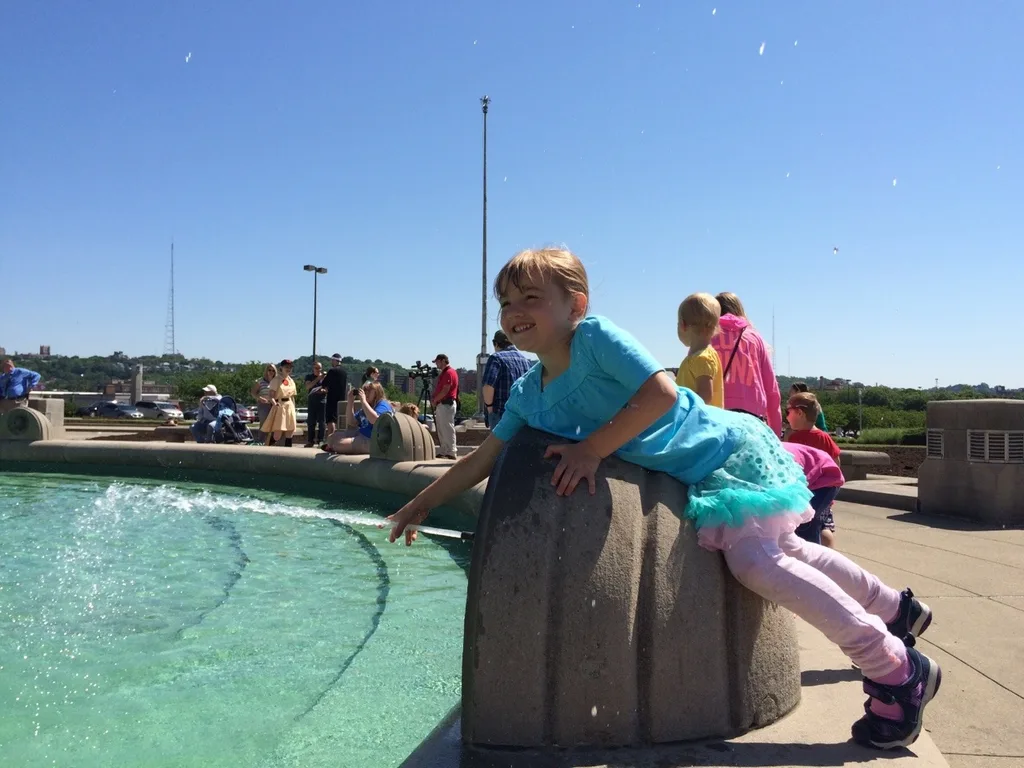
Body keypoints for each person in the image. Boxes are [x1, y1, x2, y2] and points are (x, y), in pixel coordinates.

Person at [388, 246, 939, 750]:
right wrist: (422, 503)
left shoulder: (595, 338)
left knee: (755, 560)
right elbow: (482, 459)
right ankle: (897, 608)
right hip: (700, 472)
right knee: (790, 552)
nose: (515, 310)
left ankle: (895, 668)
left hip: (725, 453)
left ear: (575, 303)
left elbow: (662, 392)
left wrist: (592, 450)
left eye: (531, 297)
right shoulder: (530, 393)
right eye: (506, 301)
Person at [710, 293, 783, 435]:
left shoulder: (707, 335)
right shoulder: (754, 338)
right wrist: (775, 431)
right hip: (751, 419)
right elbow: (771, 390)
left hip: (716, 415)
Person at [782, 442, 844, 548]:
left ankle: (813, 560)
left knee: (805, 523)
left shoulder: (775, 459)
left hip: (825, 478)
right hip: (809, 475)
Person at [675, 293, 724, 408]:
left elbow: (705, 397)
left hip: (700, 424)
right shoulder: (705, 356)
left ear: (683, 325)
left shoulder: (702, 358)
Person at [322, 382, 394, 454]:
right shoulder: (367, 407)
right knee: (331, 437)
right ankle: (333, 446)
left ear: (377, 392)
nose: (365, 392)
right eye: (364, 390)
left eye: (369, 390)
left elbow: (375, 420)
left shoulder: (383, 405)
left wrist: (363, 401)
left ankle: (334, 447)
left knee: (338, 444)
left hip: (373, 440)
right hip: (361, 434)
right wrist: (350, 401)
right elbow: (351, 422)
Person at [482, 330, 532, 428]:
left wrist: (490, 409)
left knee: (500, 443)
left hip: (501, 413)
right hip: (522, 414)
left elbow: (488, 386)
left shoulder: (496, 358)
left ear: (496, 343)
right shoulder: (526, 361)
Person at [785, 392, 842, 462]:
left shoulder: (794, 438)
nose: (787, 417)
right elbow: (836, 460)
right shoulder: (824, 437)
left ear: (800, 413)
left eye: (788, 412)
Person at [263, 359, 297, 447]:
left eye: (290, 367)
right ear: (281, 368)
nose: (288, 369)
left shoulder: (291, 381)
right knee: (278, 433)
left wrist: (294, 408)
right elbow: (271, 395)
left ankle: (288, 453)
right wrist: (274, 403)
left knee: (290, 431)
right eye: (286, 367)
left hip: (290, 406)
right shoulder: (276, 379)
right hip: (280, 406)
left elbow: (292, 396)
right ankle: (267, 447)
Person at [431, 354, 459, 460]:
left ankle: (451, 451)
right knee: (442, 428)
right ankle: (445, 450)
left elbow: (445, 390)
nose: (436, 364)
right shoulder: (446, 372)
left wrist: (435, 400)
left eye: (437, 362)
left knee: (447, 428)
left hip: (446, 404)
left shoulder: (449, 372)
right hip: (443, 404)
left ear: (443, 361)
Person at [249, 363, 277, 444]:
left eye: (273, 370)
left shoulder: (276, 381)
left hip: (274, 404)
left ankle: (271, 441)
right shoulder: (260, 381)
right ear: (266, 370)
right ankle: (261, 440)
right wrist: (259, 398)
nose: (271, 372)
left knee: (274, 423)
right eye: (269, 370)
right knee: (264, 422)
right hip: (263, 404)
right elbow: (253, 392)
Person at [323, 353, 348, 437]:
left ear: (334, 360)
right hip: (341, 399)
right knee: (338, 420)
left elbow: (324, 383)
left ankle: (331, 439)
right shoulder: (344, 372)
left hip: (332, 399)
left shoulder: (332, 371)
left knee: (331, 420)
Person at [305, 360, 327, 447]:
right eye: (316, 368)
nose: (318, 370)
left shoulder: (325, 378)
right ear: (313, 368)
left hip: (322, 402)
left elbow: (328, 389)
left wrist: (323, 390)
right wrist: (318, 378)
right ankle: (310, 441)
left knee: (322, 423)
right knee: (311, 422)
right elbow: (308, 386)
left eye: (319, 368)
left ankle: (321, 440)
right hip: (312, 402)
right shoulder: (309, 377)